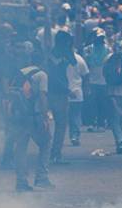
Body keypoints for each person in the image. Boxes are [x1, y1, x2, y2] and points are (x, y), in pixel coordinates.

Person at [10, 42, 54, 192]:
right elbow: (42, 97)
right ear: (42, 61)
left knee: (20, 149)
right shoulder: (41, 75)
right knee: (46, 142)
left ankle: (21, 181)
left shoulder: (20, 72)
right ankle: (42, 178)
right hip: (34, 116)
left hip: (18, 116)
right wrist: (45, 117)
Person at [46, 31, 75, 164]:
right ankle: (55, 153)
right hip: (59, 93)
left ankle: (52, 151)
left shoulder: (52, 53)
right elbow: (56, 76)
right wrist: (67, 90)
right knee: (61, 124)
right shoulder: (62, 54)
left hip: (50, 91)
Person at [83, 30, 112, 132]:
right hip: (92, 79)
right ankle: (91, 122)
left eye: (101, 38)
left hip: (104, 80)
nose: (99, 40)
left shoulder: (108, 49)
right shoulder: (88, 49)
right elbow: (85, 63)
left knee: (102, 103)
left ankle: (101, 123)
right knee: (91, 103)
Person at [67, 49, 89, 146]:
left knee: (68, 117)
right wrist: (86, 89)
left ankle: (73, 134)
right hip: (77, 91)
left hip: (65, 92)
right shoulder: (80, 59)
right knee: (75, 115)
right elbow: (86, 74)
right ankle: (75, 135)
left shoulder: (61, 59)